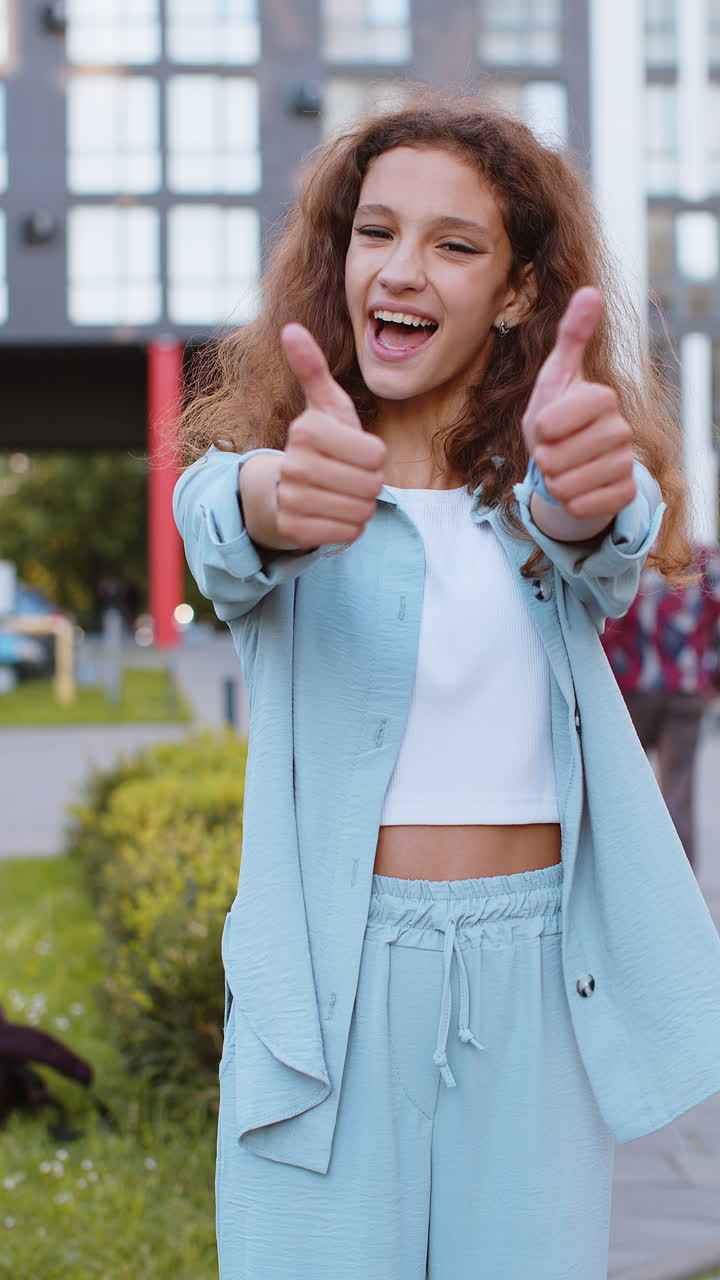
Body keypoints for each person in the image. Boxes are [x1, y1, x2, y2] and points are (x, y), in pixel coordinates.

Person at [173, 92, 720, 1280]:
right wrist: (277, 497)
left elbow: (607, 531)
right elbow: (226, 520)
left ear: (519, 290)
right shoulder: (275, 477)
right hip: (328, 990)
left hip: (534, 980)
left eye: (454, 243)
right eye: (376, 231)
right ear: (341, 253)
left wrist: (586, 483)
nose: (400, 267)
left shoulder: (550, 493)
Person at [601, 542, 720, 871]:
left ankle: (628, 880)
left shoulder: (627, 553)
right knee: (678, 793)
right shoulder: (702, 560)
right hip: (685, 688)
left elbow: (606, 621)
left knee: (624, 792)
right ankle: (679, 892)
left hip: (630, 688)